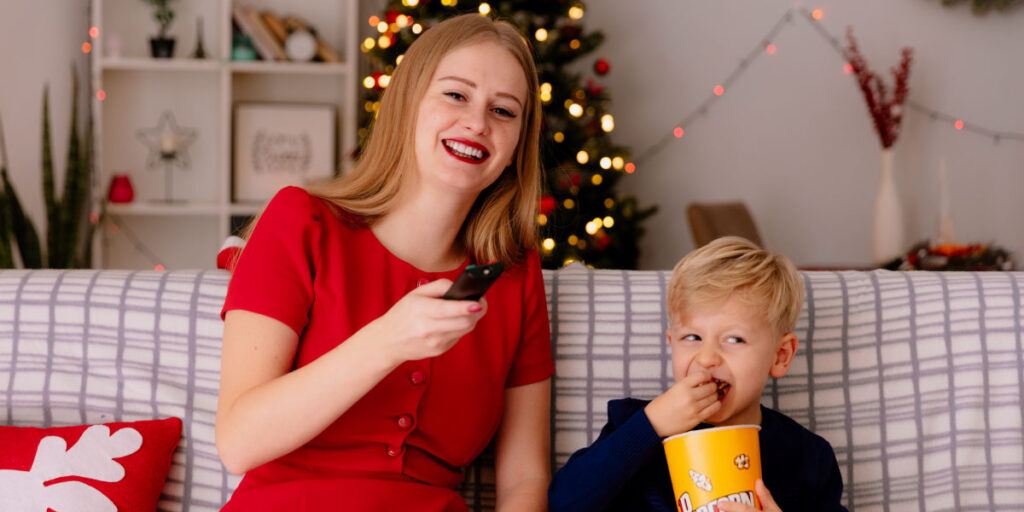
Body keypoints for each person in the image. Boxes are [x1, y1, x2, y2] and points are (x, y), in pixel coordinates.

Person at [215, 14, 552, 511]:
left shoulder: (514, 272)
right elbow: (238, 442)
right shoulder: (301, 221)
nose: (478, 123)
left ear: (515, 148)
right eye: (456, 95)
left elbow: (524, 478)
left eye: (504, 111)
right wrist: (388, 340)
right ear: (408, 102)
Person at [548, 236, 847, 512]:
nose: (706, 358)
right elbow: (563, 503)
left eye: (734, 339)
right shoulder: (633, 426)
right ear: (671, 344)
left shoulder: (808, 457)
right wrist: (649, 426)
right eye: (692, 338)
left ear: (780, 356)